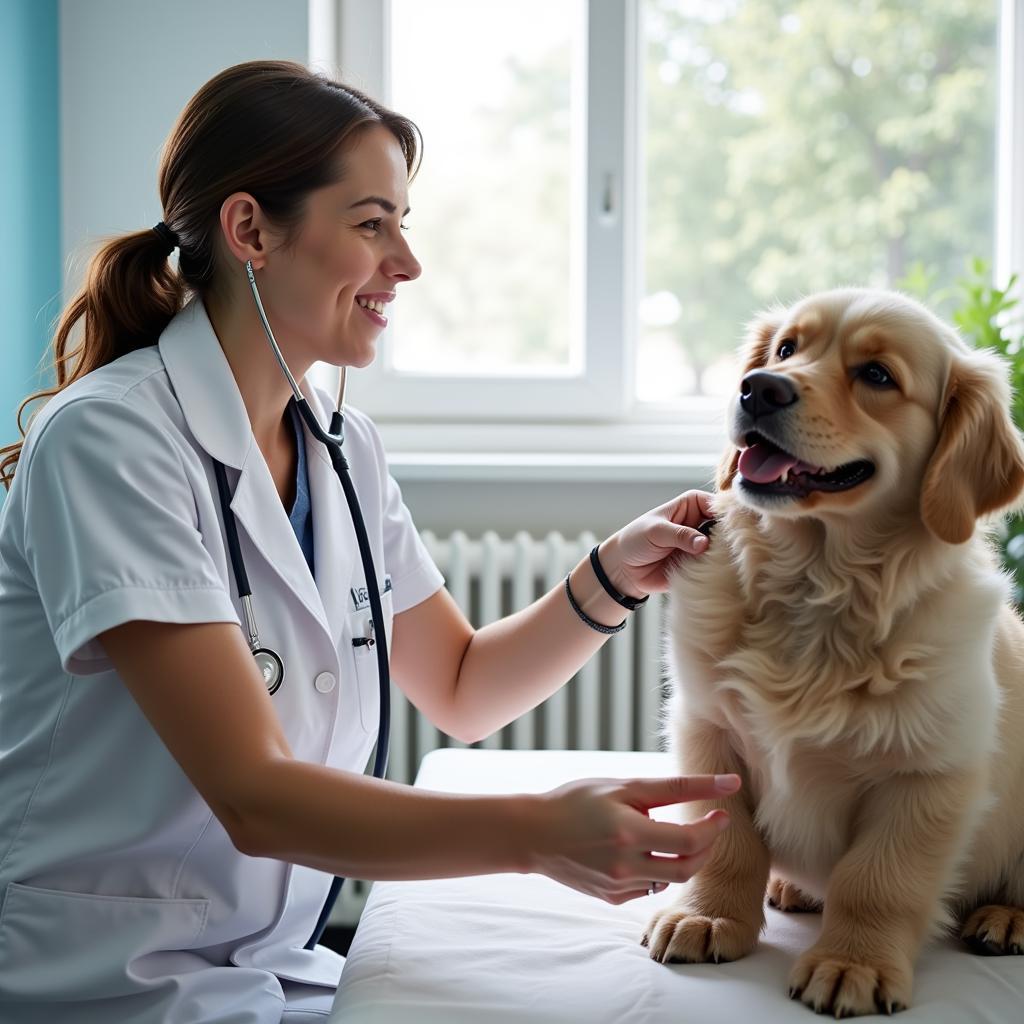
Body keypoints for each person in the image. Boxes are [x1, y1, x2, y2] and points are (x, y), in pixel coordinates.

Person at [0, 60, 738, 1024]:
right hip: (100, 976)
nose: (407, 263)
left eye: (402, 224)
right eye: (371, 223)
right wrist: (536, 834)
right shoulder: (113, 441)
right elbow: (255, 797)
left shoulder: (340, 447)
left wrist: (613, 576)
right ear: (251, 230)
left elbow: (464, 686)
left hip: (263, 959)